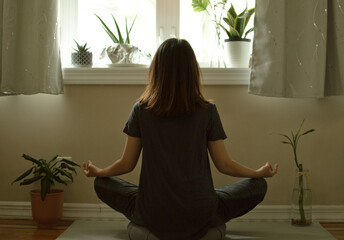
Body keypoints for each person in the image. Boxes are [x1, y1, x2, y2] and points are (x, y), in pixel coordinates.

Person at [83, 38, 278, 240]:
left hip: (153, 212)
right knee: (258, 185)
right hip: (201, 212)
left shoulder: (141, 110)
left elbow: (126, 164)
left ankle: (150, 228)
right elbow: (225, 165)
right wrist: (257, 173)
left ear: (157, 70)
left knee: (102, 184)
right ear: (192, 72)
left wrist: (100, 172)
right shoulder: (207, 111)